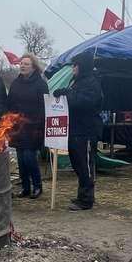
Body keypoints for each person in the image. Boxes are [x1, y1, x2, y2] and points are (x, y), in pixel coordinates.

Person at [53, 51, 103, 211]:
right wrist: (62, 93)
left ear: (81, 66)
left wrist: (67, 94)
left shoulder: (92, 82)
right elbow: (72, 98)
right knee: (77, 163)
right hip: (74, 129)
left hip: (86, 131)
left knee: (85, 165)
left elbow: (83, 102)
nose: (72, 68)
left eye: (75, 65)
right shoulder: (76, 81)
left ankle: (87, 199)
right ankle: (82, 195)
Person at [6, 53, 49, 199]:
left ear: (33, 67)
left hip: (33, 126)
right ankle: (25, 187)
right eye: (21, 63)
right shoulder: (16, 83)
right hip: (18, 126)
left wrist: (42, 125)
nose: (22, 66)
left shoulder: (40, 84)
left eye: (26, 64)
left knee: (29, 157)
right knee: (20, 159)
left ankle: (37, 186)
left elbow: (45, 106)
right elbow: (10, 102)